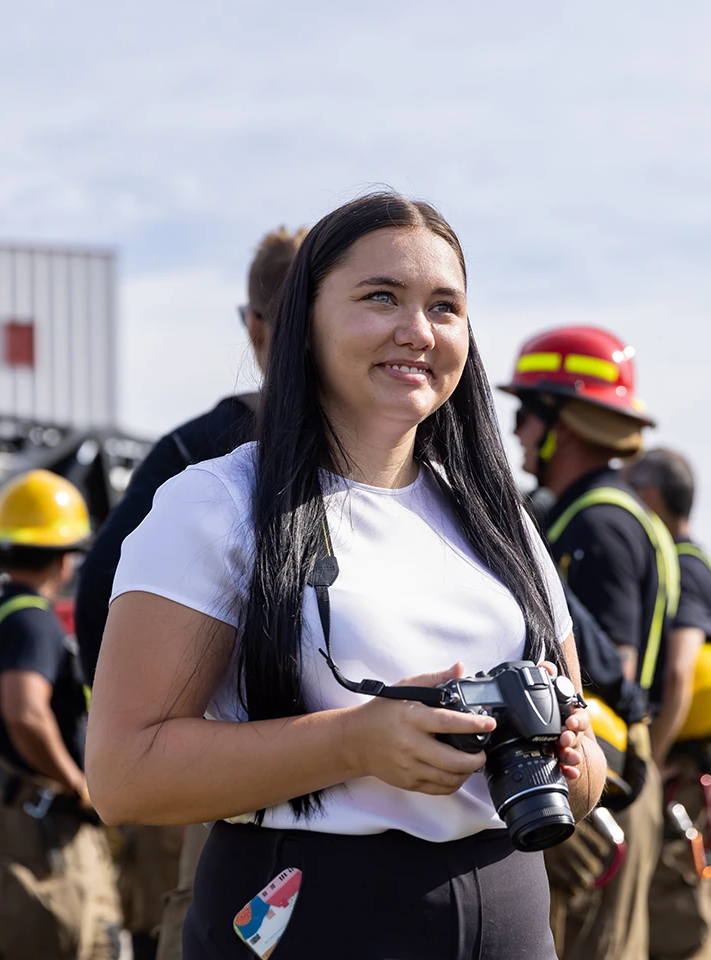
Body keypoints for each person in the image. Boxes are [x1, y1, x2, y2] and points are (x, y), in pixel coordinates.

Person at [86, 192, 606, 960]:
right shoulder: (216, 505)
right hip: (308, 912)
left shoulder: (503, 521)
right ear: (304, 325)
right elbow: (124, 775)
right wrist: (356, 744)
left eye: (445, 307)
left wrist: (572, 757)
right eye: (380, 297)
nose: (417, 331)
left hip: (512, 910)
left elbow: (584, 760)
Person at [75, 225, 307, 960]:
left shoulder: (191, 452)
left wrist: (169, 734)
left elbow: (97, 606)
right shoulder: (399, 465)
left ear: (256, 327)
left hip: (228, 800)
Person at [500, 324, 679, 960]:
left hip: (599, 786)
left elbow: (612, 674)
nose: (516, 430)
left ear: (563, 424)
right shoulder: (607, 510)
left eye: (526, 412)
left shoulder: (597, 525)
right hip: (611, 779)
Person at [0, 470, 121, 960]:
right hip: (41, 824)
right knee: (75, 935)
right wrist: (76, 781)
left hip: (19, 817)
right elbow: (25, 712)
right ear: (65, 556)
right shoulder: (33, 621)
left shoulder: (8, 611)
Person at [626, 448, 711, 960]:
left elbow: (679, 675)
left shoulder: (684, 567)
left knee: (677, 913)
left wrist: (651, 764)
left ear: (651, 498)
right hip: (709, 759)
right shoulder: (705, 561)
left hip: (689, 768)